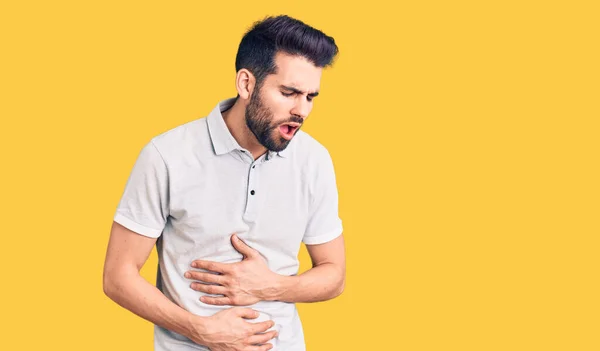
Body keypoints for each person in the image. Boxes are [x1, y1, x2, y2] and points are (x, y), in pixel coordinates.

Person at [103, 14, 345, 351]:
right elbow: (118, 276)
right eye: (289, 93)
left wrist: (271, 286)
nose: (301, 110)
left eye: (310, 97)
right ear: (246, 84)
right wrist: (199, 330)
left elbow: (334, 274)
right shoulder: (167, 155)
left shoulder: (314, 160)